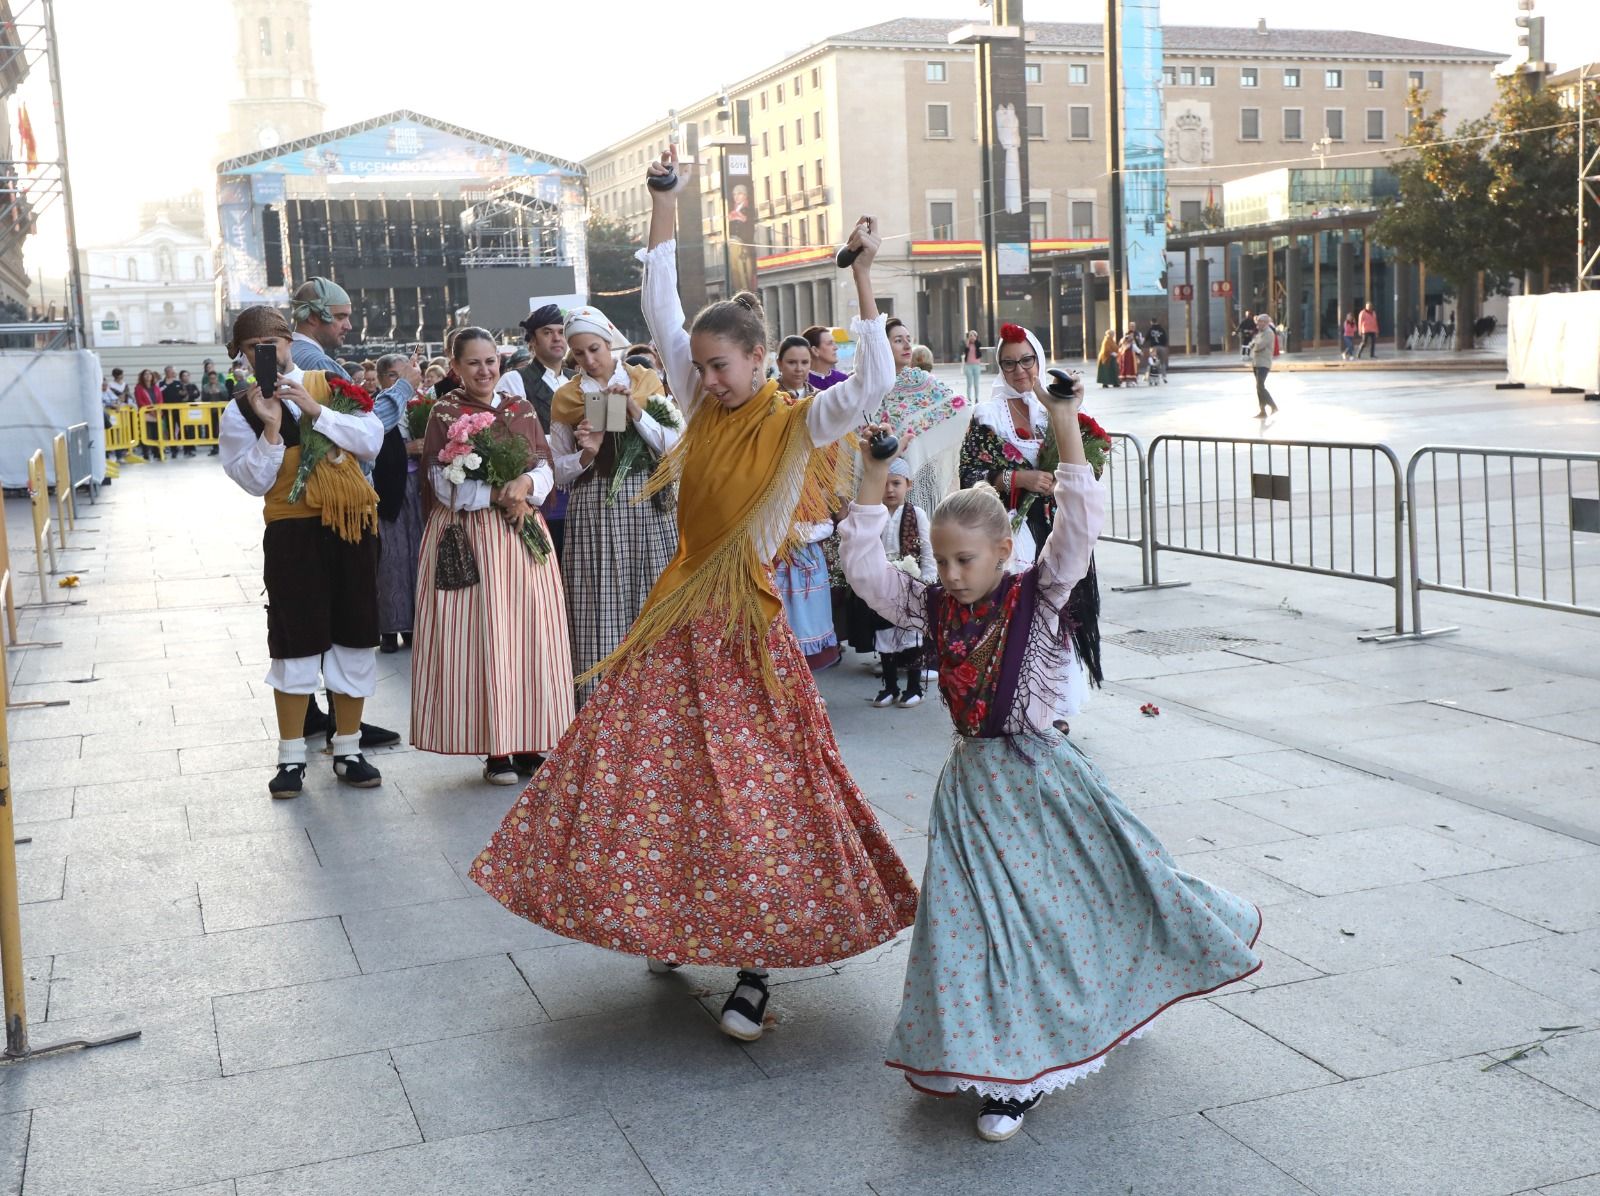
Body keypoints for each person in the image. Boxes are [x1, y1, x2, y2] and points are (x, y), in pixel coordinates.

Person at [472, 150, 917, 1044]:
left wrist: (863, 280)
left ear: (759, 360)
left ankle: (754, 968)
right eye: (702, 367)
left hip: (746, 626)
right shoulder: (692, 397)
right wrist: (664, 202)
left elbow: (874, 385)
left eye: (721, 367)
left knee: (758, 795)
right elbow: (663, 307)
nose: (706, 380)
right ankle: (673, 919)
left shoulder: (799, 421)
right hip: (676, 612)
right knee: (651, 776)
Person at [838, 397, 1261, 1143]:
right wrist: (872, 478)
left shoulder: (1040, 593)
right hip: (973, 791)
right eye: (940, 559)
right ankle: (1006, 1068)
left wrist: (1065, 425)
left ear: (1005, 551)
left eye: (963, 559)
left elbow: (1077, 528)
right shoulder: (932, 605)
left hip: (1045, 781)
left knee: (1088, 903)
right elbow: (866, 571)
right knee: (976, 927)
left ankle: (1090, 1021)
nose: (949, 573)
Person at [217, 306, 386, 798]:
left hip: (352, 524)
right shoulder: (240, 408)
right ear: (242, 356)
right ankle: (291, 758)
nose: (262, 355)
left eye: (271, 344)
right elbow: (251, 481)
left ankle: (348, 748)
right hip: (292, 533)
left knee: (355, 633)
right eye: (252, 349)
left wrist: (316, 411)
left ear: (289, 341)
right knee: (294, 640)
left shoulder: (327, 385)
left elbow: (372, 441)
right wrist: (271, 428)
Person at [410, 328, 574, 785]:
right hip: (472, 535)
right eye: (474, 363)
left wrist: (524, 489)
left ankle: (527, 741)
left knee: (527, 634)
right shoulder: (445, 411)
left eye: (491, 361)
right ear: (456, 366)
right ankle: (496, 750)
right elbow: (443, 484)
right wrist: (497, 493)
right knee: (486, 637)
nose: (485, 371)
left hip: (520, 533)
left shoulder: (519, 408)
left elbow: (543, 466)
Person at [548, 303, 683, 709]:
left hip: (649, 502)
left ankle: (660, 697)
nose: (589, 360)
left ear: (609, 344)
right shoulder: (568, 397)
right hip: (596, 507)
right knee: (599, 602)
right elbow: (558, 471)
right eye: (579, 353)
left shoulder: (645, 380)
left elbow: (674, 445)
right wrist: (587, 453)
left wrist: (635, 412)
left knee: (654, 595)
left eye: (594, 349)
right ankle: (603, 704)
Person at [773, 334, 842, 671]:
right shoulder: (767, 402)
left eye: (804, 362)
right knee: (780, 598)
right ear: (778, 364)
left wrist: (832, 494)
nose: (799, 369)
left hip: (811, 499)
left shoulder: (820, 400)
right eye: (792, 363)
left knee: (810, 593)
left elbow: (832, 452)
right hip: (776, 503)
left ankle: (806, 678)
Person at [960, 323, 1052, 568]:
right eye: (1009, 363)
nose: (1019, 370)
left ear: (1039, 359)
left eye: (1026, 360)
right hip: (1009, 532)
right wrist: (1018, 479)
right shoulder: (989, 417)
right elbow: (968, 476)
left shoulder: (1058, 409)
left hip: (1061, 528)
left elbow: (1090, 469)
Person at [868, 457, 934, 707]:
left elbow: (927, 548)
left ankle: (914, 687)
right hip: (881, 581)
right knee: (884, 634)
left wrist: (926, 580)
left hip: (910, 580)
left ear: (909, 484)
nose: (889, 490)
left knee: (911, 634)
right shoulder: (873, 512)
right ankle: (890, 686)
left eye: (896, 483)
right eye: (884, 484)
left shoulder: (916, 513)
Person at [372, 352, 426, 655]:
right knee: (390, 561)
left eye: (404, 374)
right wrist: (406, 449)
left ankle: (414, 625)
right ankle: (389, 629)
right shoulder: (376, 408)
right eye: (393, 375)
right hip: (388, 494)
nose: (400, 380)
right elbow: (369, 449)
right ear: (382, 380)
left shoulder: (421, 406)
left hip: (417, 491)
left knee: (417, 556)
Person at [515, 305, 573, 556]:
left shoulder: (577, 378)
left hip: (580, 490)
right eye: (548, 332)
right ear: (532, 340)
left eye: (561, 332)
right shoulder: (516, 380)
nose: (557, 338)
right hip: (542, 492)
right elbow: (517, 441)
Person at [289, 277, 355, 378]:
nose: (348, 326)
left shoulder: (281, 355)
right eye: (340, 317)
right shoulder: (321, 365)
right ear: (312, 318)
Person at [804, 324, 848, 390]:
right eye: (830, 343)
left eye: (834, 343)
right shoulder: (801, 381)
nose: (836, 348)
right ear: (815, 350)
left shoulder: (843, 380)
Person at [1250, 313, 1279, 417]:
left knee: (1260, 386)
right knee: (1258, 387)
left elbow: (1259, 346)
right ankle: (1262, 410)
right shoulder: (1260, 333)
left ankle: (1273, 405)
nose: (1259, 323)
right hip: (1256, 362)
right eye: (1258, 321)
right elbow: (1252, 344)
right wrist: (1253, 345)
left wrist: (1254, 345)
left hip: (1264, 363)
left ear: (1266, 322)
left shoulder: (1269, 333)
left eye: (1262, 321)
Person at [960, 330, 983, 401]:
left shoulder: (977, 344)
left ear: (976, 337)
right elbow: (965, 350)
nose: (972, 337)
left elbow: (979, 345)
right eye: (970, 335)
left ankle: (976, 398)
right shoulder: (967, 345)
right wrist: (967, 342)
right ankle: (969, 398)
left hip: (976, 365)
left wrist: (975, 340)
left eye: (974, 335)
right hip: (968, 366)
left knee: (976, 383)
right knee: (969, 383)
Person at [1147, 318, 1169, 383]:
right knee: (1162, 363)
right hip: (1162, 347)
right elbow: (1165, 338)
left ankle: (1154, 377)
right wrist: (1164, 345)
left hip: (1153, 347)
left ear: (1151, 322)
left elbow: (1146, 337)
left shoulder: (1151, 329)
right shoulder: (1161, 329)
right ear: (1157, 321)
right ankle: (1164, 377)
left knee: (1153, 362)